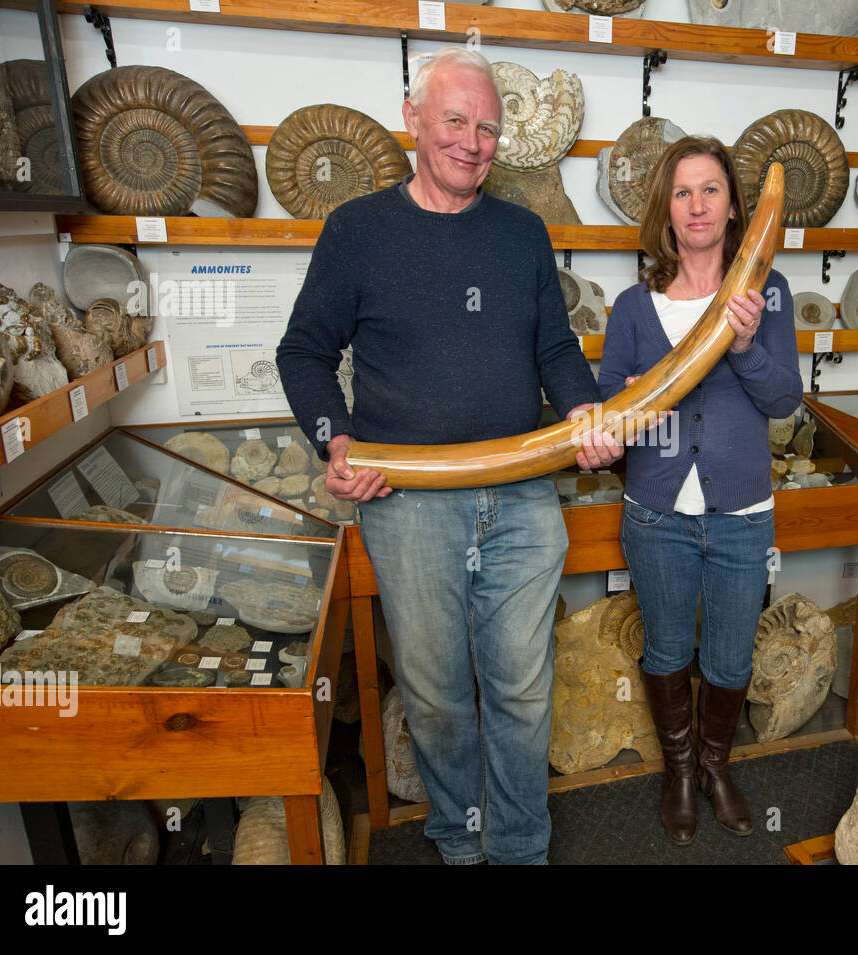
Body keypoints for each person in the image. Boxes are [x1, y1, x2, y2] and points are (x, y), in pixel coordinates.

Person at [276, 47, 621, 865]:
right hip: (408, 505)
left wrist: (583, 409)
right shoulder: (356, 232)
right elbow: (303, 354)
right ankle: (460, 843)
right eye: (456, 121)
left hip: (524, 497)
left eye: (489, 128)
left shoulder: (522, 234)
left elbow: (556, 349)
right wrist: (337, 435)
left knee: (521, 690)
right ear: (416, 120)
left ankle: (520, 849)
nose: (472, 142)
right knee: (433, 698)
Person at [598, 137, 802, 845]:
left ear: (733, 204)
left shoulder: (766, 294)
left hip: (742, 514)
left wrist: (745, 348)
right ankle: (680, 771)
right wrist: (624, 407)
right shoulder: (631, 306)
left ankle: (716, 766)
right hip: (655, 516)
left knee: (729, 659)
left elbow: (785, 402)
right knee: (665, 652)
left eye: (710, 189)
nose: (697, 205)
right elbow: (606, 424)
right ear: (666, 210)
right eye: (682, 192)